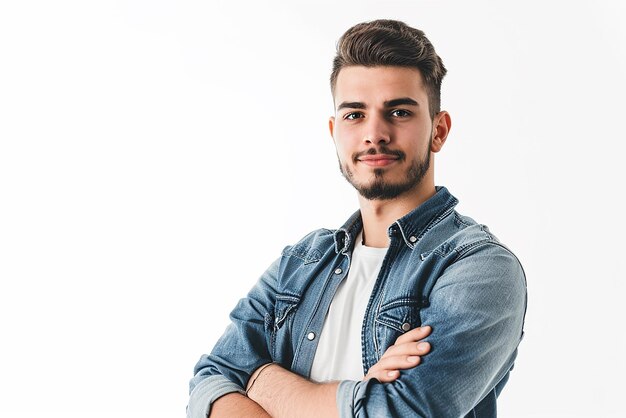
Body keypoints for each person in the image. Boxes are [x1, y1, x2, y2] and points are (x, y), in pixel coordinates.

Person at [187, 19, 527, 418]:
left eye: (398, 112)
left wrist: (265, 382)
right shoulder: (301, 262)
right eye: (354, 115)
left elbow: (403, 412)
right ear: (334, 131)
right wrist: (360, 395)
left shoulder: (478, 268)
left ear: (439, 130)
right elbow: (211, 379)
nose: (375, 134)